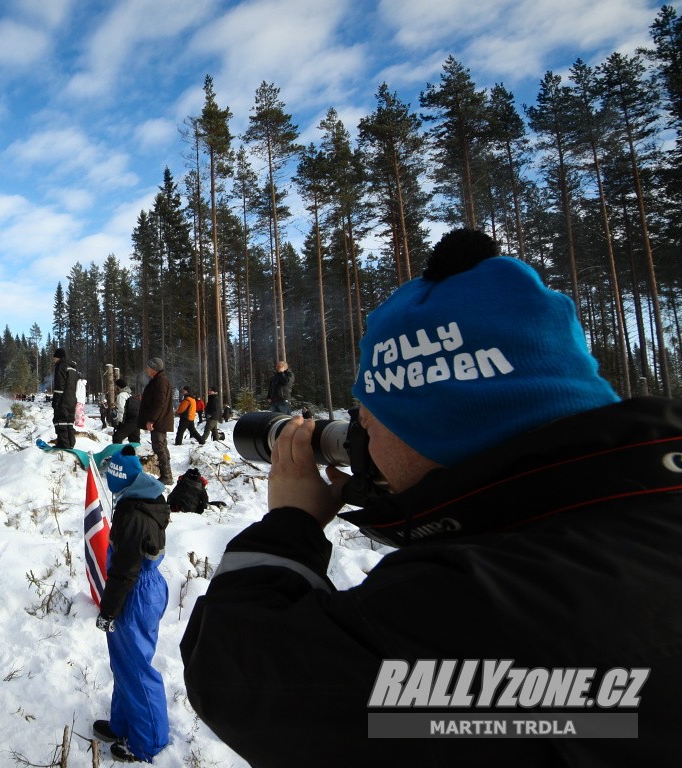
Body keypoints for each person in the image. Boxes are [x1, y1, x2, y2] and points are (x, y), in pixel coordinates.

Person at [180, 228, 679, 766]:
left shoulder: (471, 601)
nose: (359, 430)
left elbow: (240, 677)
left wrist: (290, 523)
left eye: (369, 410)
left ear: (437, 413)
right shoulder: (632, 518)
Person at [94, 445, 171, 763]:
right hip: (138, 589)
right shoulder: (138, 498)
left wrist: (109, 610)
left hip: (136, 594)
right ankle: (123, 723)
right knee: (124, 664)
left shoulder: (133, 515)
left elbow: (124, 571)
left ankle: (149, 741)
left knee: (137, 669)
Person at [138, 358, 174, 484]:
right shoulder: (158, 380)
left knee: (159, 447)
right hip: (160, 420)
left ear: (154, 368)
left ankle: (166, 476)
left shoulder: (161, 381)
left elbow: (160, 403)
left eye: (148, 367)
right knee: (161, 446)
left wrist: (152, 419)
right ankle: (166, 474)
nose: (146, 369)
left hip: (159, 421)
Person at [51, 348, 79, 449]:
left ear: (58, 357)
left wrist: (55, 401)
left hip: (63, 399)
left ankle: (64, 446)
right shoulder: (73, 368)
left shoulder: (61, 366)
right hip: (72, 399)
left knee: (60, 422)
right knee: (69, 423)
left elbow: (59, 386)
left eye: (54, 357)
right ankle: (70, 444)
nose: (53, 359)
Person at [112, 378, 141, 445]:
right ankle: (135, 453)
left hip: (129, 419)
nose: (114, 388)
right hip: (137, 419)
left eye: (115, 386)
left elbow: (121, 409)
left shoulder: (121, 395)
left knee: (117, 437)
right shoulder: (130, 394)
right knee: (134, 439)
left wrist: (120, 421)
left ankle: (117, 453)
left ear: (118, 386)